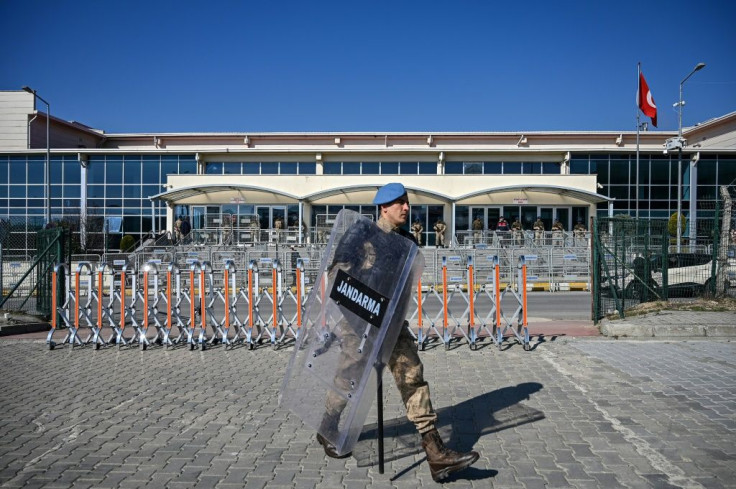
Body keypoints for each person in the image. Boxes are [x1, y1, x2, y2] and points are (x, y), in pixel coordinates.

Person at [316, 183, 479, 482]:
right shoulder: (361, 235)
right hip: (359, 323)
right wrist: (360, 307)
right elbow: (334, 276)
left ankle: (435, 452)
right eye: (399, 203)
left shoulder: (407, 243)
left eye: (406, 202)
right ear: (384, 208)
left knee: (411, 376)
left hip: (391, 322)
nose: (406, 207)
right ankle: (329, 423)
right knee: (348, 377)